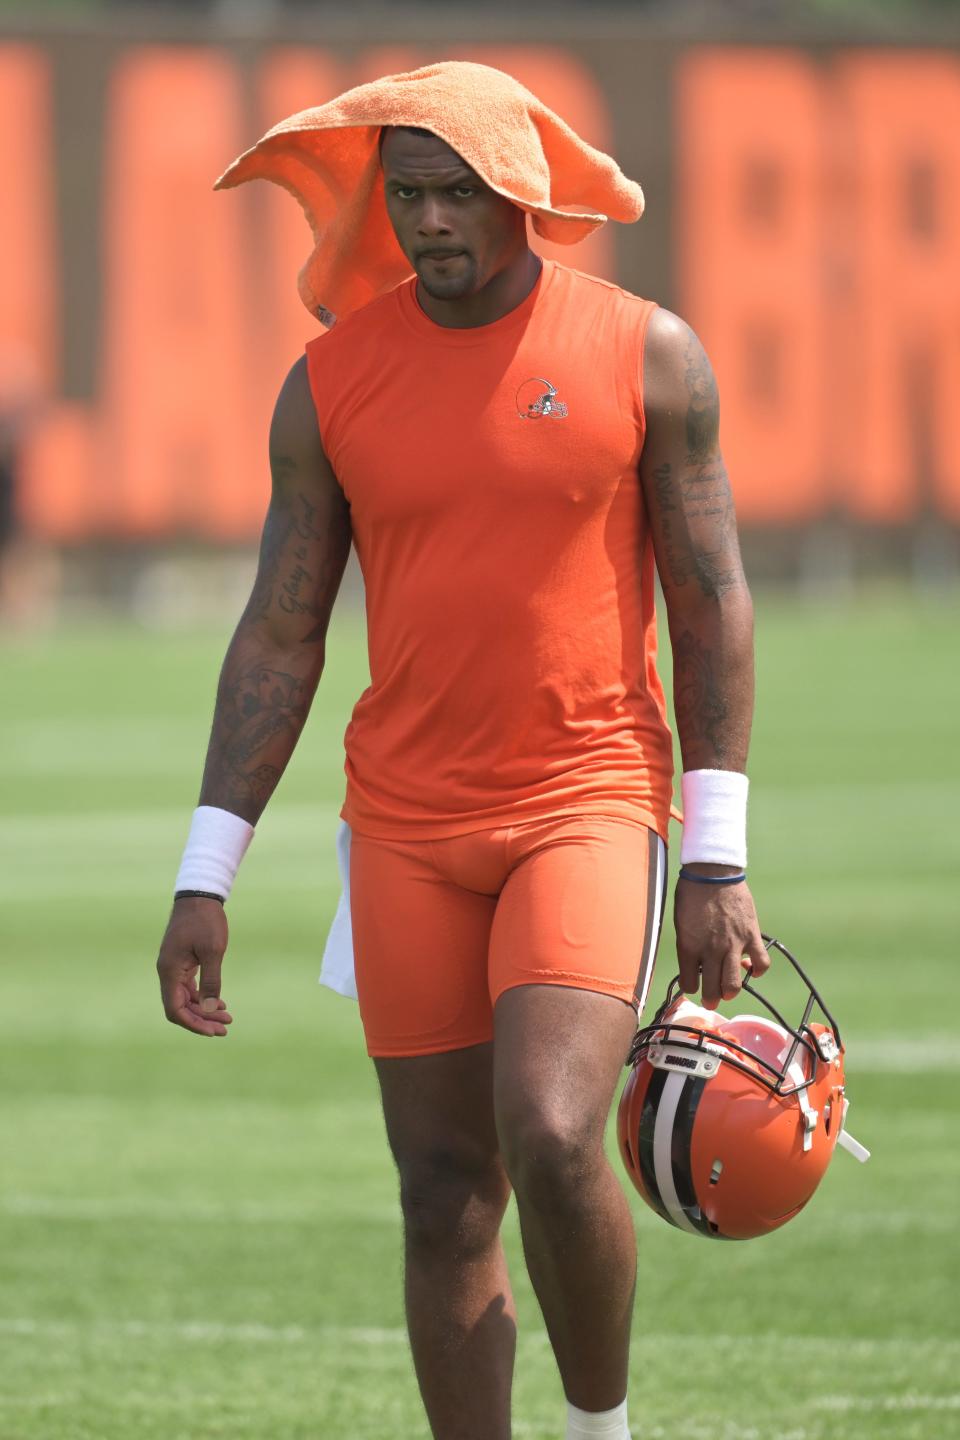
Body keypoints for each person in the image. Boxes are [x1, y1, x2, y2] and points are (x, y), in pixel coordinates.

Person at [157, 65, 768, 1440]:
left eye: (458, 193)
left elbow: (713, 598)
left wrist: (716, 851)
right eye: (409, 193)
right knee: (442, 1190)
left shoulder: (646, 353)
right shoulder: (329, 386)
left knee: (554, 1132)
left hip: (588, 799)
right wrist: (209, 869)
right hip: (406, 830)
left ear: (525, 197)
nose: (431, 221)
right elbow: (279, 633)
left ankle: (599, 1431)